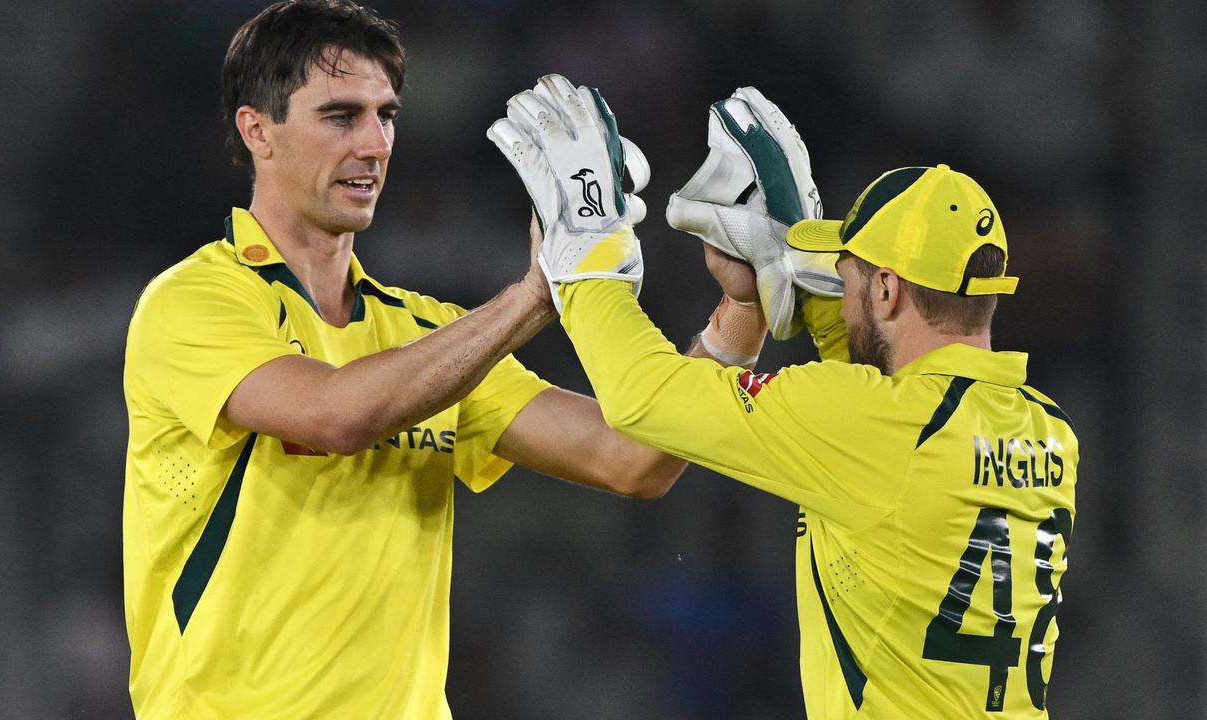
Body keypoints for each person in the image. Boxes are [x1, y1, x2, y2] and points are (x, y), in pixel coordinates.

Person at [120, 4, 700, 718]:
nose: (374, 143)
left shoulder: (430, 333)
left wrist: (740, 310)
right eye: (341, 116)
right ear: (257, 131)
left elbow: (633, 461)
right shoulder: (193, 303)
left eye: (385, 115)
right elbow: (335, 416)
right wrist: (535, 296)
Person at [491, 82, 1079, 718]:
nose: (838, 286)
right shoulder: (1050, 431)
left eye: (844, 274)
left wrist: (586, 251)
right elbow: (881, 405)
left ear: (886, 289)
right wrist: (782, 277)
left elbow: (642, 396)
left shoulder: (875, 425)